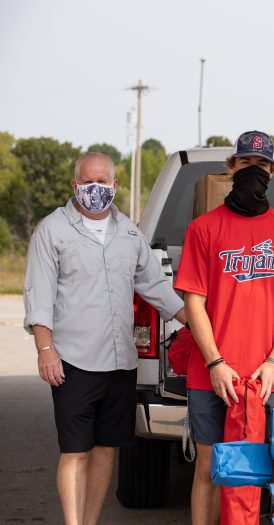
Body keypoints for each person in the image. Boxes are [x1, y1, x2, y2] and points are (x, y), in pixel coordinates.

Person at [23, 152, 186, 525]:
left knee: (106, 450)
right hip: (73, 362)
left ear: (114, 185)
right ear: (74, 185)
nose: (94, 189)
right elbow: (39, 295)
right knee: (75, 452)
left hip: (120, 363)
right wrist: (44, 349)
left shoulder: (129, 233)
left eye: (102, 182)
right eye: (86, 182)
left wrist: (196, 322)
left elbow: (155, 288)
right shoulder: (53, 230)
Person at [175, 130, 274, 525]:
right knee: (209, 468)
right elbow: (193, 303)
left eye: (261, 166)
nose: (253, 172)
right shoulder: (203, 229)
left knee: (262, 472)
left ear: (273, 172)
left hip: (267, 377)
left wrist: (273, 361)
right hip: (211, 374)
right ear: (231, 168)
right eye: (245, 164)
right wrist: (216, 362)